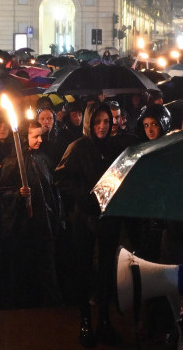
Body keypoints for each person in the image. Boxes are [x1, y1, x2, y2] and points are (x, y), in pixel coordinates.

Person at [55, 102, 124, 347]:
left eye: (106, 121)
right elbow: (61, 179)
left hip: (109, 218)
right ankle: (85, 321)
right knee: (83, 270)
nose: (102, 126)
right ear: (88, 123)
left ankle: (104, 321)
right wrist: (87, 194)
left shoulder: (116, 146)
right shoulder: (77, 148)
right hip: (83, 218)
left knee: (106, 270)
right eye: (97, 122)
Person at [0, 120, 62, 307]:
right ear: (24, 138)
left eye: (41, 135)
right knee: (24, 268)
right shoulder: (11, 162)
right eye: (35, 136)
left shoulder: (44, 159)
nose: (40, 140)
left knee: (47, 267)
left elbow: (52, 191)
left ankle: (52, 305)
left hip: (44, 223)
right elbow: (2, 191)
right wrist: (17, 194)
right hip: (23, 226)